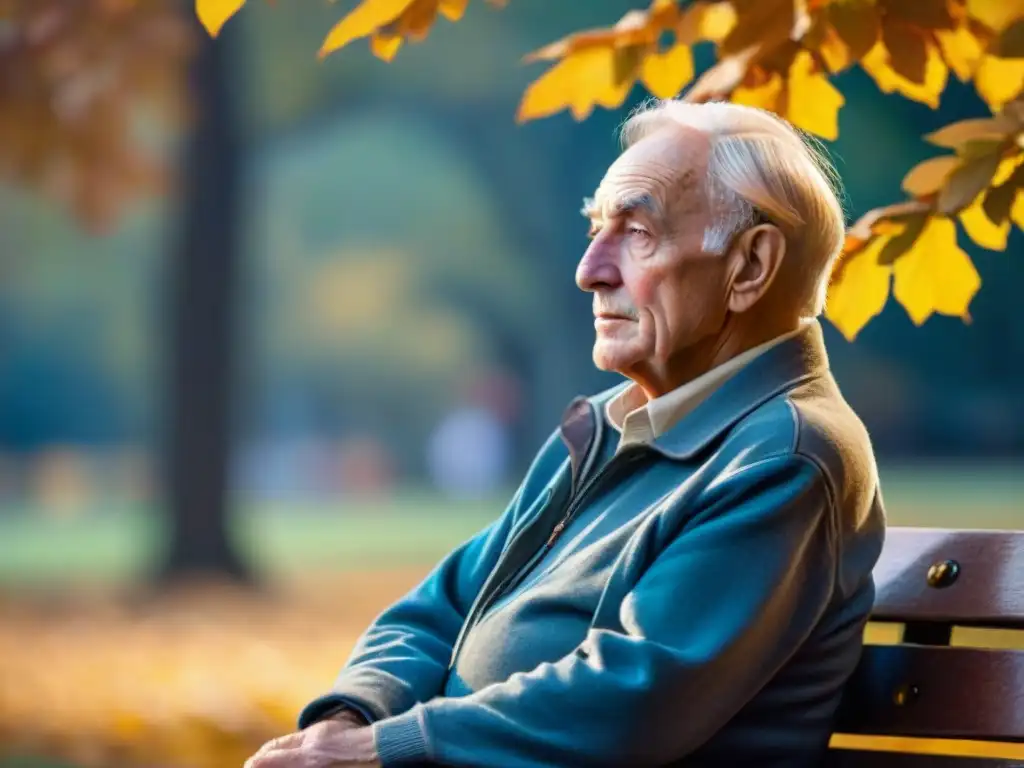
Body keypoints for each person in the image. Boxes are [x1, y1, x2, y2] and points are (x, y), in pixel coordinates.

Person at [244, 99, 886, 768]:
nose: (590, 270)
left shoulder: (786, 457)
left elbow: (631, 701)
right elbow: (445, 603)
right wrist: (351, 717)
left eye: (637, 231)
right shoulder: (611, 425)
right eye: (595, 229)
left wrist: (385, 749)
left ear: (749, 267)